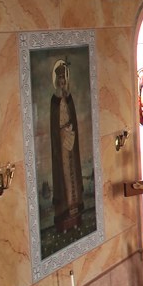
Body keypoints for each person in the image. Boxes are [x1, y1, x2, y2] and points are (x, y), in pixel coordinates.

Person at [51, 60, 84, 234]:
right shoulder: (54, 101)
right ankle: (65, 212)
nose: (63, 85)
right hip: (61, 145)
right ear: (57, 82)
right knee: (64, 174)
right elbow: (54, 126)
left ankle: (75, 209)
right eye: (60, 82)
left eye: (65, 81)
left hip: (71, 141)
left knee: (73, 173)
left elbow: (73, 118)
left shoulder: (68, 99)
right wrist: (62, 130)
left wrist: (70, 127)